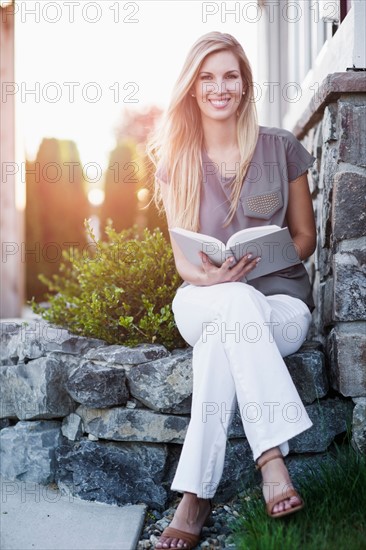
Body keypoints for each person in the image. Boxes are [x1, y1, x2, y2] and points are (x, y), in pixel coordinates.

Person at [146, 31, 316, 550]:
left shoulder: (280, 147)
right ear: (193, 88)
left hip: (280, 305)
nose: (220, 87)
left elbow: (307, 236)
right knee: (232, 301)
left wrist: (271, 256)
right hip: (203, 298)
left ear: (244, 84)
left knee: (233, 322)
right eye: (208, 77)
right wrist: (213, 278)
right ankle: (272, 461)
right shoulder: (177, 158)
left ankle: (194, 498)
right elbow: (183, 260)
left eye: (230, 76)